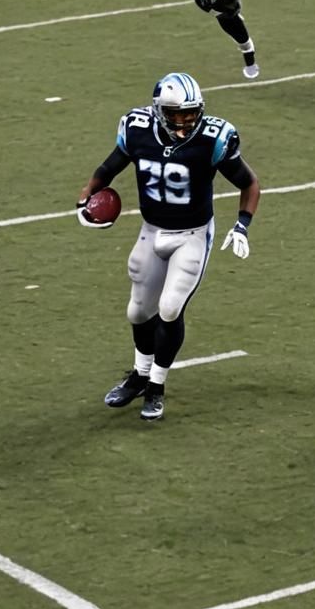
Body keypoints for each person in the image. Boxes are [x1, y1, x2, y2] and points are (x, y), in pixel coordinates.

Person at [76, 72, 260, 420]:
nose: (186, 122)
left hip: (192, 234)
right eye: (177, 115)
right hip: (152, 230)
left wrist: (242, 225)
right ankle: (139, 376)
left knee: (170, 307)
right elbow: (109, 166)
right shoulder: (137, 129)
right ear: (159, 111)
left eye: (191, 114)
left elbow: (249, 183)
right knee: (137, 312)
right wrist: (85, 199)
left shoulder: (212, 139)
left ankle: (156, 386)